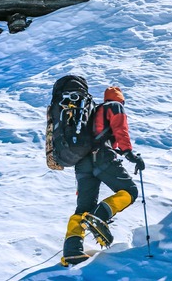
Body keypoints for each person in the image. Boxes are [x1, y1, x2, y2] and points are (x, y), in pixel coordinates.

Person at [61, 86, 146, 266]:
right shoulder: (114, 106)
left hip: (82, 162)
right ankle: (100, 216)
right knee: (129, 191)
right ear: (120, 99)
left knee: (83, 207)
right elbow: (120, 128)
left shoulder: (91, 113)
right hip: (101, 157)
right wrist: (129, 153)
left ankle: (72, 251)